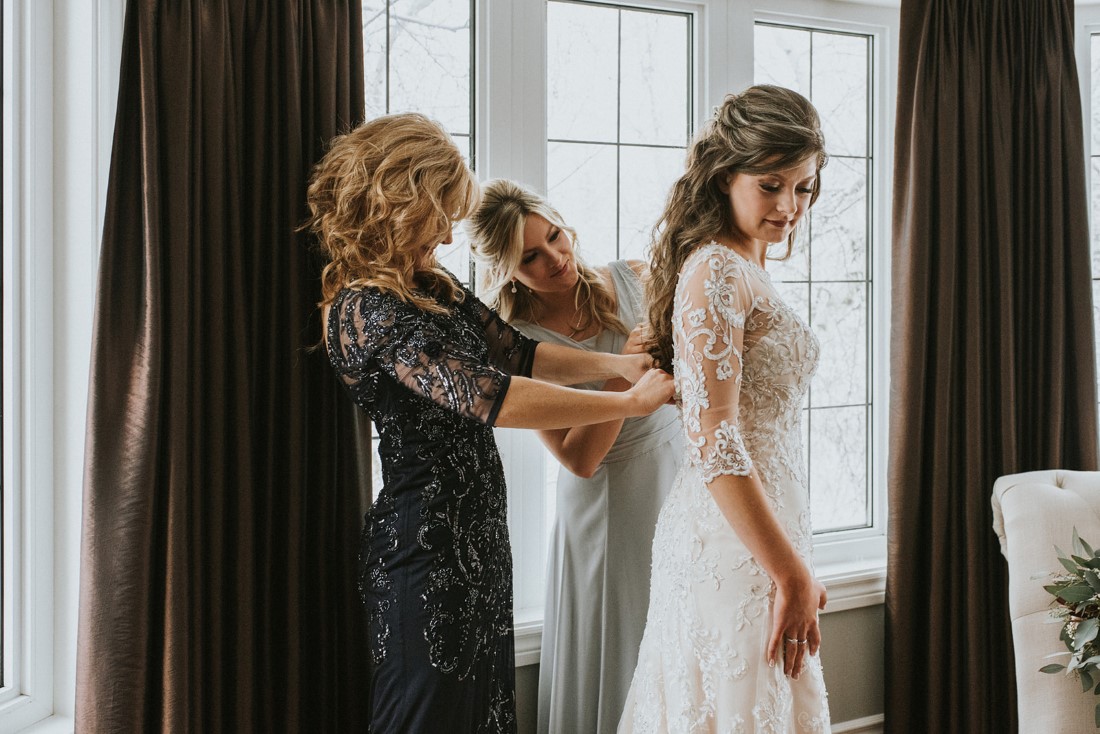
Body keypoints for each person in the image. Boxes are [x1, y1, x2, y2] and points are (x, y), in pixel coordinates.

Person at [304, 113, 674, 734]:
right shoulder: (363, 308)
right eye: (439, 213)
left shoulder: (433, 285)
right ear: (400, 203)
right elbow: (489, 395)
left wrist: (616, 360)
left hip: (479, 541)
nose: (448, 234)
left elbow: (518, 353)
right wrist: (627, 401)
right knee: (426, 717)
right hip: (423, 549)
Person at [618, 85, 832, 732]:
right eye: (771, 185)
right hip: (729, 542)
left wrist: (794, 561)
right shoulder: (713, 270)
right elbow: (714, 440)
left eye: (803, 187)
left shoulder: (746, 267)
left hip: (764, 527)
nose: (789, 207)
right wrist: (790, 572)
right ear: (723, 177)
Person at [468, 180, 683, 734]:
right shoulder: (516, 340)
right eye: (530, 258)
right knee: (627, 641)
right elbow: (580, 460)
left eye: (555, 237)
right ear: (506, 271)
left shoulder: (637, 276)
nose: (556, 260)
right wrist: (625, 373)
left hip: (678, 474)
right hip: (608, 506)